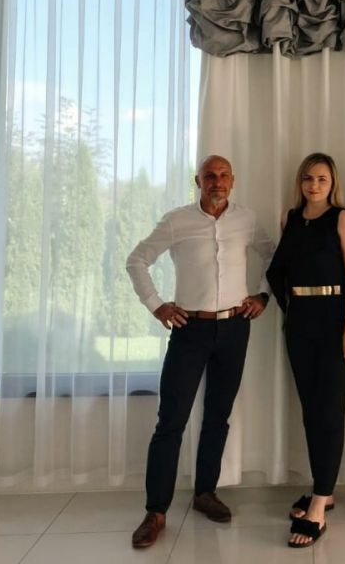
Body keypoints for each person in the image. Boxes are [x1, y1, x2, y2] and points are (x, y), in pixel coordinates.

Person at [126, 154, 275, 548]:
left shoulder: (247, 220)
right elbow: (137, 260)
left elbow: (272, 255)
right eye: (210, 175)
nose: (217, 181)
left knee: (218, 416)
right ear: (198, 181)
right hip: (189, 329)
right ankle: (156, 512)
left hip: (235, 328)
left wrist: (263, 295)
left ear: (233, 180)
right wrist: (157, 305)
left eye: (224, 175)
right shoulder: (177, 220)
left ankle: (205, 493)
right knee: (171, 421)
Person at [266, 152, 345, 548]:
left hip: (335, 321)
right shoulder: (289, 219)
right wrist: (291, 310)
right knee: (310, 412)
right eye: (308, 178)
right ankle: (325, 488)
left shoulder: (342, 219)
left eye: (322, 179)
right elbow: (279, 271)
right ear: (300, 182)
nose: (314, 185)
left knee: (330, 412)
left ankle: (319, 505)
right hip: (300, 323)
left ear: (332, 182)